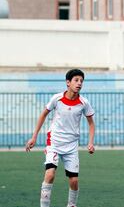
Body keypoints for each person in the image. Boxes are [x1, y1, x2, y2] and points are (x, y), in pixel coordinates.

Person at [25, 69, 95, 207]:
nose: (79, 83)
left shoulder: (84, 103)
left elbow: (91, 123)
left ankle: (71, 205)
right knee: (50, 174)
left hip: (72, 145)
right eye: (76, 80)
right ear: (68, 82)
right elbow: (43, 114)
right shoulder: (57, 99)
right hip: (54, 142)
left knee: (74, 181)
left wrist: (91, 143)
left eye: (81, 81)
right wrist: (34, 137)